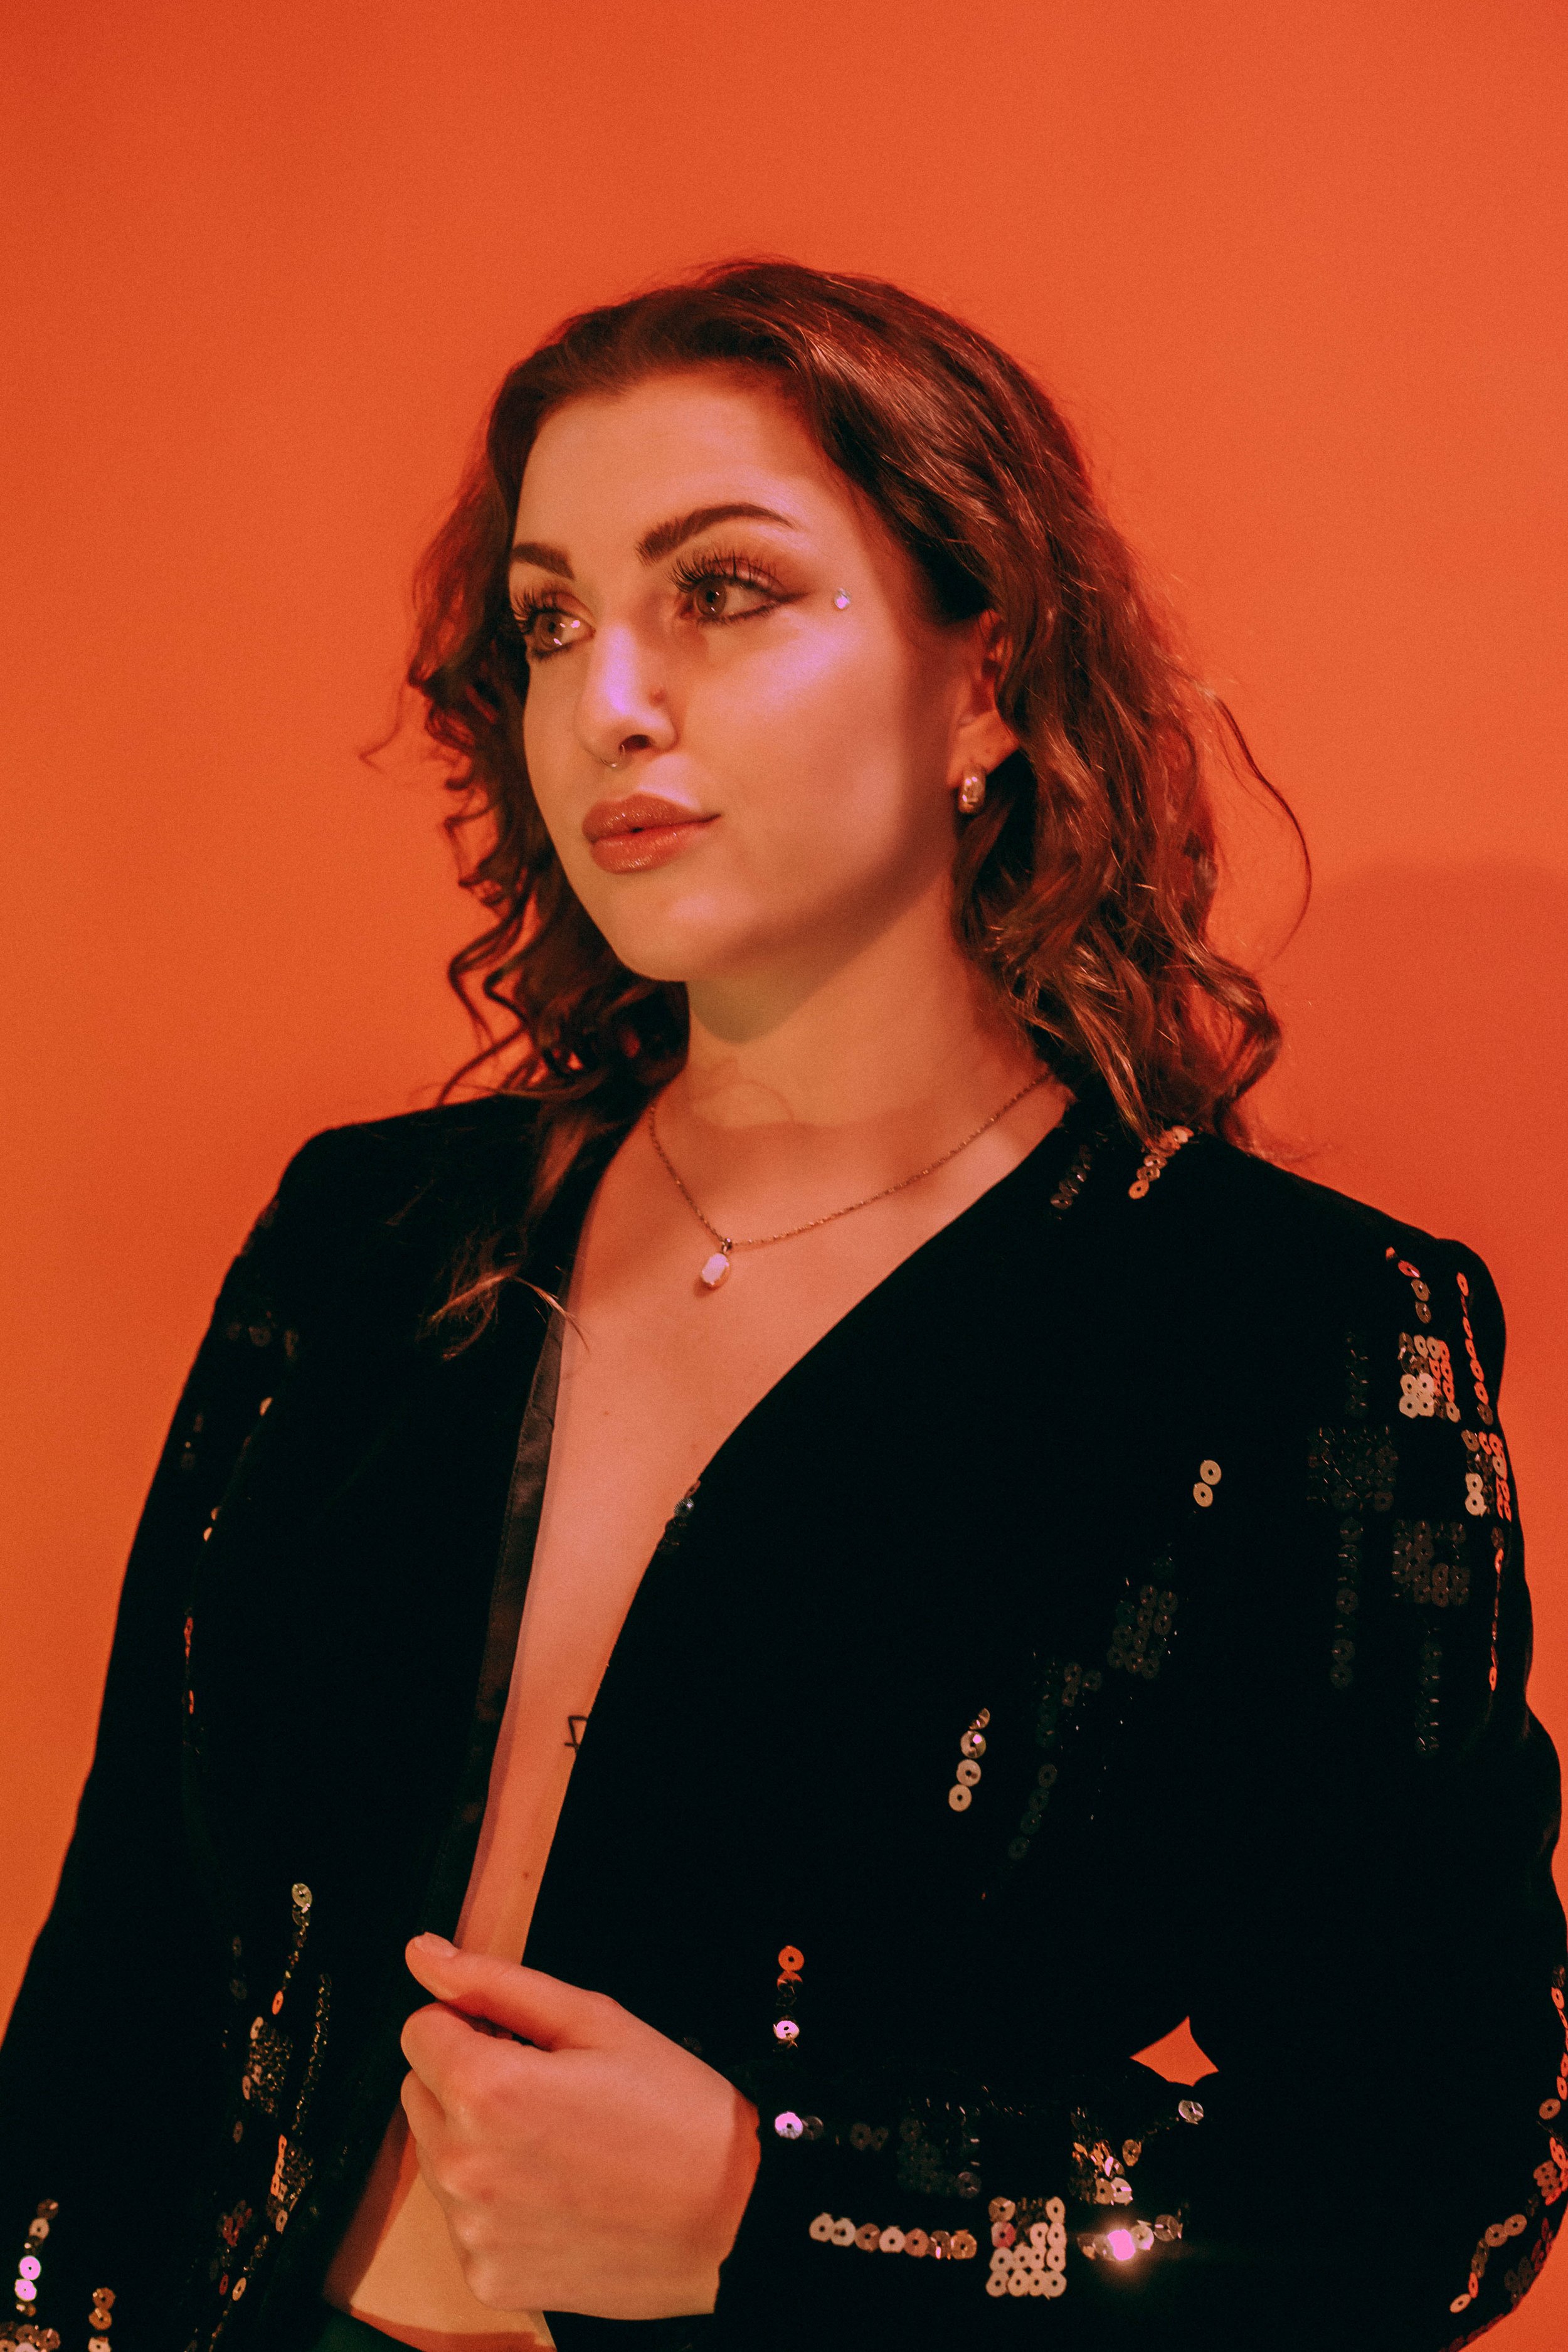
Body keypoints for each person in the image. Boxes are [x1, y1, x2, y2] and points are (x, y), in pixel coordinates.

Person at [1, 260, 1562, 2352]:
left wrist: (789, 2210)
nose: (609, 702)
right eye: (552, 622)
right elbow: (118, 1989)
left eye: (721, 591)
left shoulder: (1285, 1334)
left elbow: (1435, 2175)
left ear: (984, 679)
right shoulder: (370, 1242)